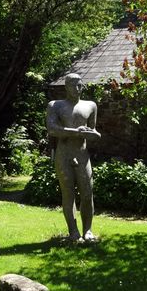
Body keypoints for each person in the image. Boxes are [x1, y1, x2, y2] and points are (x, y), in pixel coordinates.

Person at [46, 73, 101, 241]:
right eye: (75, 85)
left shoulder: (90, 105)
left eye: (81, 85)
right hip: (64, 155)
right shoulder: (55, 105)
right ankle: (73, 231)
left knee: (87, 193)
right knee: (68, 194)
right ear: (67, 87)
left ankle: (88, 231)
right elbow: (52, 129)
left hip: (82, 154)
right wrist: (75, 132)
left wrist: (92, 135)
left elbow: (94, 132)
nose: (79, 88)